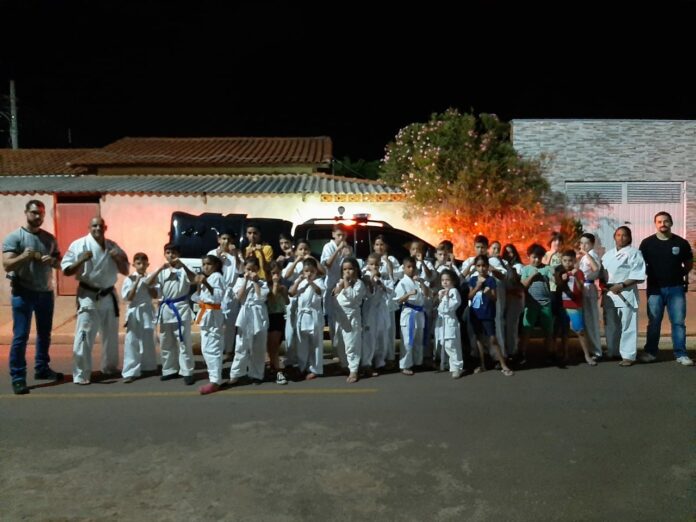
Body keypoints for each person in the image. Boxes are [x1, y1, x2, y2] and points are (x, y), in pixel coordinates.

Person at [2, 200, 63, 394]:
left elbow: (60, 262)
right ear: (26, 212)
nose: (38, 216)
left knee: (45, 334)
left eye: (41, 213)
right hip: (23, 292)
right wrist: (24, 256)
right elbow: (7, 265)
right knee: (21, 336)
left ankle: (42, 368)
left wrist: (52, 261)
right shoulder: (15, 237)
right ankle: (18, 377)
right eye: (35, 212)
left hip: (45, 292)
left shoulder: (49, 238)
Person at [61, 216, 129, 385]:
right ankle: (81, 373)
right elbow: (66, 271)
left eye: (100, 226)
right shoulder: (79, 245)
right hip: (88, 296)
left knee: (111, 336)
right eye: (94, 226)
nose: (97, 228)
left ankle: (110, 367)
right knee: (84, 336)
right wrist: (81, 259)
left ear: (105, 228)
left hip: (109, 295)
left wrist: (118, 258)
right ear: (89, 227)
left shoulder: (113, 246)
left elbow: (125, 270)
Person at [639, 212, 694, 366]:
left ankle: (681, 354)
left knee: (678, 322)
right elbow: (640, 264)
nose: (662, 224)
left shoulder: (681, 243)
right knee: (654, 322)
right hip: (655, 289)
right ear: (655, 224)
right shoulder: (647, 243)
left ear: (671, 223)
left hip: (676, 288)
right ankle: (650, 352)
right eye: (659, 221)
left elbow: (689, 263)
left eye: (665, 221)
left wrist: (679, 274)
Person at [146, 243, 197, 385]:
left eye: (173, 252)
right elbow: (148, 283)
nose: (171, 255)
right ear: (164, 254)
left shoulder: (185, 268)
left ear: (179, 254)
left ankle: (187, 371)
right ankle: (169, 370)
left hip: (180, 308)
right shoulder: (162, 270)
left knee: (183, 342)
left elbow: (194, 279)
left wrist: (183, 265)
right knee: (166, 342)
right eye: (168, 252)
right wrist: (159, 270)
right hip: (165, 309)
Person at [601, 226, 646, 366]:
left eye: (624, 235)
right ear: (614, 237)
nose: (621, 238)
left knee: (628, 326)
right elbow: (601, 274)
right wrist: (603, 285)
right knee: (611, 325)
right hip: (609, 294)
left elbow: (638, 274)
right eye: (618, 235)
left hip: (626, 293)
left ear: (629, 238)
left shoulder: (634, 253)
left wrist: (621, 285)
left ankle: (628, 356)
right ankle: (613, 351)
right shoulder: (607, 255)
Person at [468, 255, 514, 376]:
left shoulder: (491, 280)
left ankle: (503, 365)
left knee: (493, 339)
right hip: (475, 313)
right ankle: (482, 364)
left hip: (488, 313)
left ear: (488, 267)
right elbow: (469, 296)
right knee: (479, 338)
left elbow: (494, 298)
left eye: (484, 266)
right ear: (475, 267)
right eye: (478, 266)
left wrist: (488, 293)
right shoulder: (473, 279)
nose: (481, 268)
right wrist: (477, 287)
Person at [554, 250, 598, 366]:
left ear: (574, 261)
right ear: (561, 261)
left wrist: (574, 276)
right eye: (565, 261)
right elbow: (557, 284)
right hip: (562, 305)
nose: (567, 263)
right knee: (564, 331)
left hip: (574, 306)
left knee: (580, 331)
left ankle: (587, 356)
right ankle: (565, 354)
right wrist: (563, 278)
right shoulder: (559, 271)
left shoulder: (578, 272)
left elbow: (581, 289)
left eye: (570, 261)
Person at [230, 256, 269, 384]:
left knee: (259, 346)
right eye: (248, 269)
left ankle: (256, 374)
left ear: (257, 270)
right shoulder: (240, 281)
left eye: (253, 269)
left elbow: (261, 297)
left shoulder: (262, 283)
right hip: (245, 313)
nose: (250, 272)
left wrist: (256, 282)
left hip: (259, 313)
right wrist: (246, 281)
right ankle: (236, 374)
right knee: (241, 345)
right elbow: (238, 297)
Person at [121, 252, 158, 383]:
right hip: (134, 311)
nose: (141, 266)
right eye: (138, 263)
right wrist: (136, 282)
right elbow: (129, 298)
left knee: (148, 339)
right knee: (132, 341)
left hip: (146, 311)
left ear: (148, 264)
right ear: (134, 265)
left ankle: (148, 366)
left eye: (144, 263)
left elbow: (155, 295)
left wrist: (148, 284)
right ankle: (130, 371)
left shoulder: (151, 278)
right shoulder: (129, 279)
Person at [192, 254, 225, 394]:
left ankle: (215, 380)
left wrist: (205, 283)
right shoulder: (209, 278)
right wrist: (199, 284)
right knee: (206, 348)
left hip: (213, 315)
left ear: (216, 265)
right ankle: (213, 376)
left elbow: (217, 296)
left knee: (212, 347)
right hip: (206, 314)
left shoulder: (217, 277)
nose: (205, 267)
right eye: (203, 264)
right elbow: (198, 297)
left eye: (208, 264)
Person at [288, 258, 326, 380]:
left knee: (316, 344)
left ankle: (315, 369)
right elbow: (291, 293)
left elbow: (319, 292)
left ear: (316, 271)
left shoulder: (319, 281)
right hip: (302, 316)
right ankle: (302, 366)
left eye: (312, 271)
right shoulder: (300, 282)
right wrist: (298, 281)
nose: (309, 274)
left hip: (314, 315)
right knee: (302, 344)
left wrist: (311, 282)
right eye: (306, 271)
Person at [208, 231, 242, 361]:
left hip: (231, 292)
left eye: (228, 239)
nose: (226, 241)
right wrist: (218, 258)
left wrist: (236, 255)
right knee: (215, 322)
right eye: (223, 238)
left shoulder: (236, 254)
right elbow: (208, 271)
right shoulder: (212, 253)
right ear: (218, 240)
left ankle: (228, 350)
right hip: (216, 291)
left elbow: (241, 270)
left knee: (230, 324)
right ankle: (215, 349)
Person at [332, 257, 367, 383]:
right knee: (340, 344)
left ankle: (354, 370)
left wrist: (346, 284)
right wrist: (340, 286)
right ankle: (344, 365)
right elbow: (334, 294)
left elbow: (352, 298)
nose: (347, 272)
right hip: (340, 317)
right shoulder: (341, 283)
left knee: (352, 344)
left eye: (350, 269)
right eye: (344, 269)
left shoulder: (359, 284)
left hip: (351, 317)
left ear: (356, 269)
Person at [519, 244, 555, 364]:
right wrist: (532, 276)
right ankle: (522, 354)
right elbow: (523, 285)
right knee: (526, 329)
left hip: (546, 304)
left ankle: (550, 353)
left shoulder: (546, 268)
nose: (537, 260)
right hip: (531, 305)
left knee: (548, 331)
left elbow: (554, 279)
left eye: (539, 257)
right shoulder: (526, 269)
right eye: (534, 257)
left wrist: (554, 273)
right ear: (529, 256)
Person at [395, 256, 429, 375]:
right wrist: (408, 294)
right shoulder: (402, 283)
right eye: (408, 267)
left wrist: (421, 282)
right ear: (403, 268)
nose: (411, 269)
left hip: (419, 313)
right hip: (409, 312)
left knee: (418, 339)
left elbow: (427, 294)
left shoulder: (418, 281)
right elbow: (398, 300)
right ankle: (405, 365)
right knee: (407, 341)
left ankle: (417, 362)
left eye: (413, 267)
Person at [362, 253, 395, 374]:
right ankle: (367, 363)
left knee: (382, 335)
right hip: (370, 309)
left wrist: (380, 282)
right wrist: (372, 279)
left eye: (376, 264)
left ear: (380, 264)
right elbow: (368, 292)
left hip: (381, 309)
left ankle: (380, 361)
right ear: (367, 264)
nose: (374, 266)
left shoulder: (384, 276)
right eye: (371, 264)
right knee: (369, 337)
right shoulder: (365, 276)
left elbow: (391, 291)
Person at [321, 225, 353, 344]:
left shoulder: (349, 248)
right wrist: (338, 249)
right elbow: (327, 264)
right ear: (333, 234)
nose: (341, 238)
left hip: (345, 285)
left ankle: (344, 345)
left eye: (343, 235)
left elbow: (351, 267)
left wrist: (348, 255)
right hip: (331, 286)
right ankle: (335, 347)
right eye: (339, 235)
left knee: (344, 315)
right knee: (332, 318)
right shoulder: (328, 246)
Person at [577, 233, 603, 360]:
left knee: (591, 319)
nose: (583, 245)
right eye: (581, 243)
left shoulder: (592, 255)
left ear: (592, 244)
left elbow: (596, 269)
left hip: (589, 287)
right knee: (586, 320)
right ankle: (591, 349)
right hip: (583, 288)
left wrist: (586, 254)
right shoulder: (584, 256)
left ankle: (597, 351)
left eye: (586, 243)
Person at [435, 269, 464, 378]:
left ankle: (457, 367)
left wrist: (446, 297)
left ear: (453, 281)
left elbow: (451, 307)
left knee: (451, 344)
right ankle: (446, 364)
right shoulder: (441, 292)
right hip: (441, 321)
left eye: (447, 280)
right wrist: (440, 297)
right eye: (443, 280)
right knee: (443, 343)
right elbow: (438, 307)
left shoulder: (454, 291)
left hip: (450, 320)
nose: (445, 282)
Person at [266, 261, 290, 385]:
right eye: (273, 273)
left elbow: (287, 302)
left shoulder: (282, 287)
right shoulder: (267, 287)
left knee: (275, 343)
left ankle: (275, 367)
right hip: (269, 315)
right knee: (271, 344)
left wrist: (284, 293)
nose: (276, 276)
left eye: (278, 273)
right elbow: (272, 299)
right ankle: (275, 367)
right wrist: (275, 285)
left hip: (279, 316)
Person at [502, 243, 525, 359]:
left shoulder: (519, 267)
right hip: (505, 299)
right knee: (506, 325)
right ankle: (507, 349)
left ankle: (513, 351)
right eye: (506, 252)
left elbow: (519, 284)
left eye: (511, 252)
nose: (509, 255)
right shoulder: (503, 266)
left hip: (515, 300)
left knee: (513, 326)